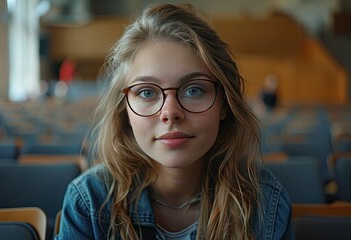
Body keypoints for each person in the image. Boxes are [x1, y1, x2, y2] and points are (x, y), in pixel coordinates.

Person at [55, 3, 293, 240]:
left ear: (224, 104)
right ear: (124, 109)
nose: (170, 112)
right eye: (147, 92)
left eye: (194, 90)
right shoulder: (89, 201)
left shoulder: (265, 202)